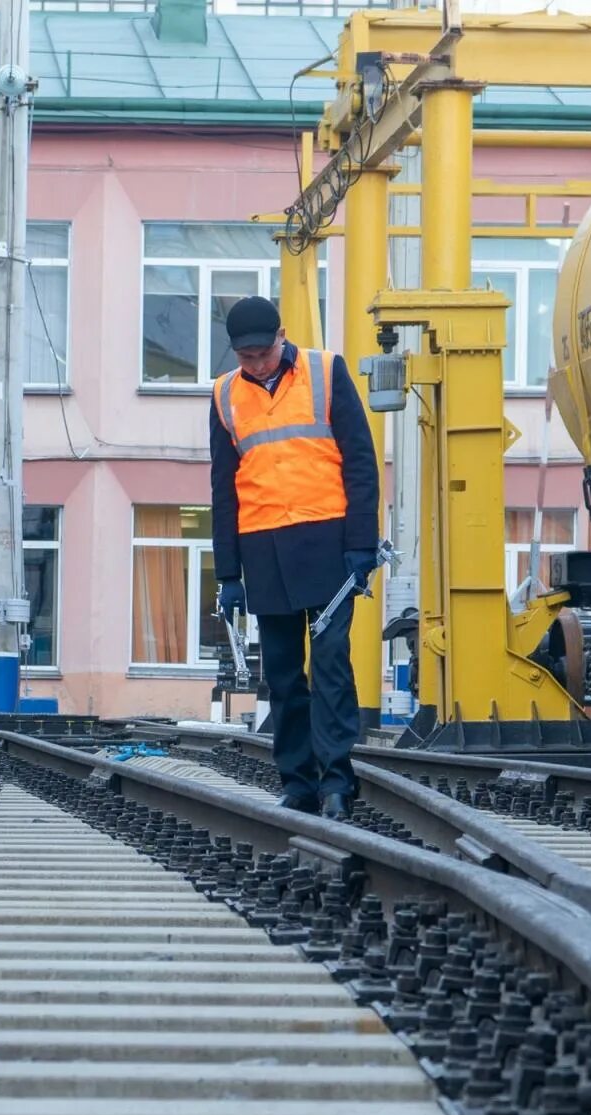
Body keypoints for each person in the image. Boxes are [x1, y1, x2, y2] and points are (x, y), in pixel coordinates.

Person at [209, 296, 379, 820]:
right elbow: (223, 487)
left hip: (328, 546)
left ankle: (336, 782)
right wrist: (228, 573)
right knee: (281, 674)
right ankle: (299, 784)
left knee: (330, 666)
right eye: (245, 357)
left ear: (282, 336)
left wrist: (361, 546)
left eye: (262, 352)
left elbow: (361, 463)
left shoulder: (327, 372)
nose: (256, 363)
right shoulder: (224, 395)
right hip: (263, 551)